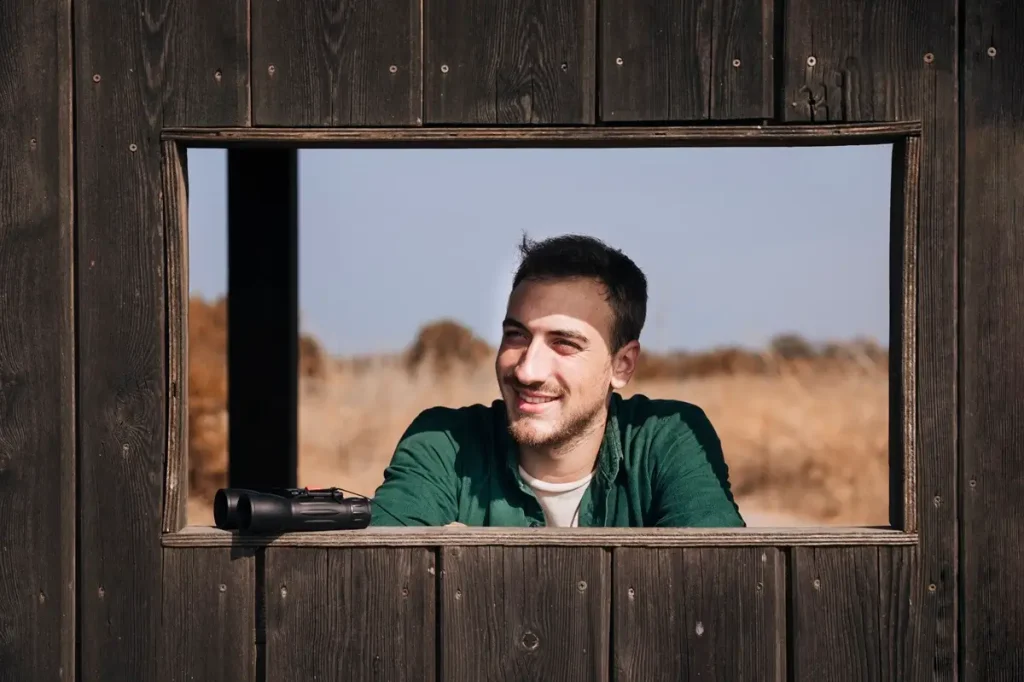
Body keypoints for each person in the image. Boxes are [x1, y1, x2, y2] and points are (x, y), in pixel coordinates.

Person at [369, 234, 745, 528]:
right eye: (516, 335)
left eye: (564, 344)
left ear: (623, 365)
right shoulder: (442, 444)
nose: (527, 371)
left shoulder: (668, 438)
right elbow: (382, 578)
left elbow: (722, 584)